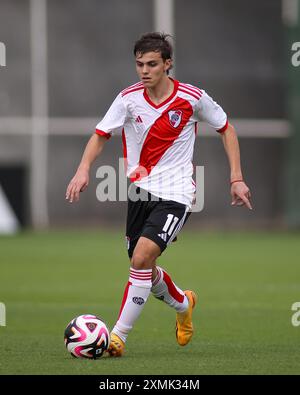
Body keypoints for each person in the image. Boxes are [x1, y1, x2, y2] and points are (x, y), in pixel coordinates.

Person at [66, 32, 252, 357]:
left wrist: (236, 178)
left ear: (168, 64)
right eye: (139, 64)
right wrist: (83, 169)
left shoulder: (192, 98)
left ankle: (117, 337)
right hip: (139, 193)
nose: (144, 70)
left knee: (140, 259)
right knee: (143, 269)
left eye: (152, 64)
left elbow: (227, 129)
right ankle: (183, 302)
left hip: (178, 194)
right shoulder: (127, 99)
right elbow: (100, 135)